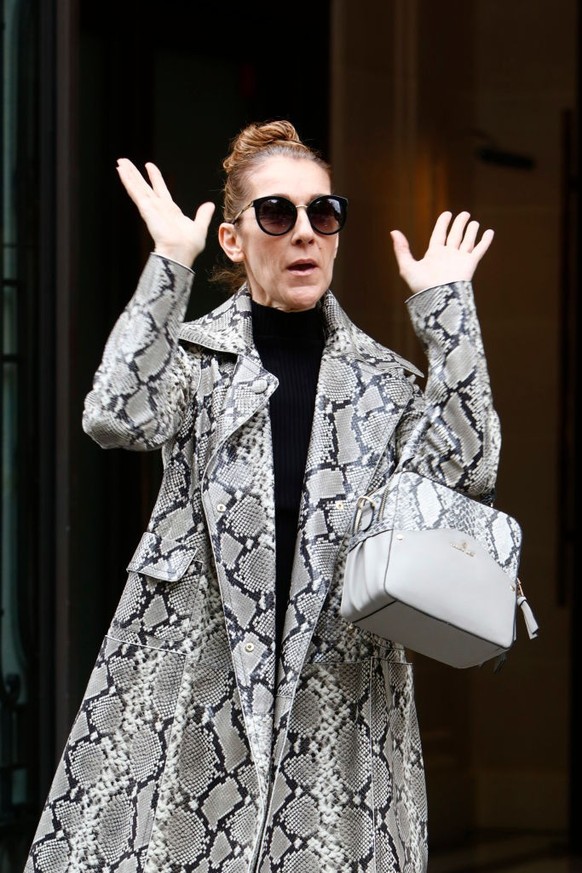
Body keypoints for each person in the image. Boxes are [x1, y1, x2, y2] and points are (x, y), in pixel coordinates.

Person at [25, 119, 498, 873]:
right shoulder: (194, 361)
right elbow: (117, 412)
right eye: (278, 214)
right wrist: (168, 264)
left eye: (324, 212)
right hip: (192, 702)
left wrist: (448, 313)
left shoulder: (384, 384)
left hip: (339, 708)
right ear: (236, 241)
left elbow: (469, 464)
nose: (305, 231)